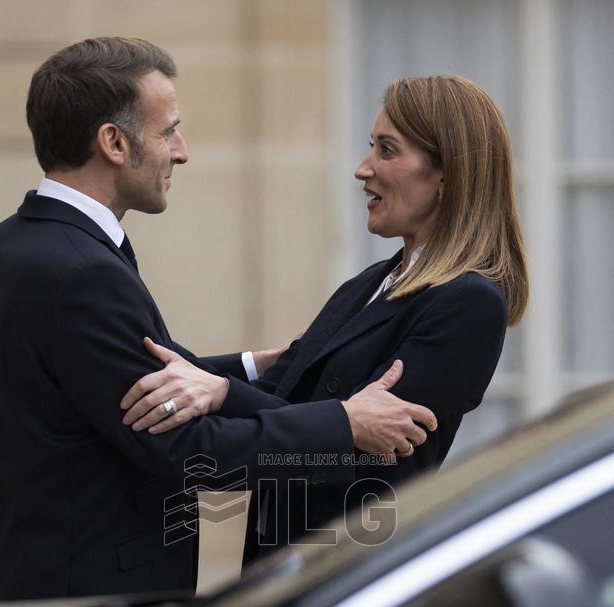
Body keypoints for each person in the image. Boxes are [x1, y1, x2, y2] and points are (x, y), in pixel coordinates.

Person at [0, 37, 436, 602]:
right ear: (114, 143)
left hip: (46, 590)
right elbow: (191, 454)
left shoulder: (14, 244)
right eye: (168, 132)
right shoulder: (81, 270)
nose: (181, 151)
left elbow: (122, 378)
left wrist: (251, 367)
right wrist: (344, 424)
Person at [121, 74, 528, 558]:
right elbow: (280, 397)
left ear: (446, 175)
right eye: (371, 147)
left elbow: (368, 457)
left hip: (346, 564)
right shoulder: (366, 286)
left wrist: (223, 392)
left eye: (387, 150)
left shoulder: (468, 303)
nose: (363, 169)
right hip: (279, 562)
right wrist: (220, 384)